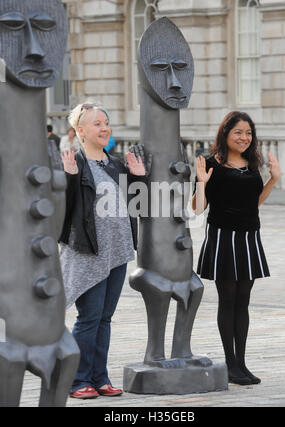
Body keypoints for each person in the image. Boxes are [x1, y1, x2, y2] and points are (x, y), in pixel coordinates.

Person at [59, 102, 147, 399]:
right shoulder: (75, 163)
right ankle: (76, 380)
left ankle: (100, 377)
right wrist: (68, 179)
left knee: (105, 318)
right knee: (89, 317)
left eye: (106, 122)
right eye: (97, 123)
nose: (104, 127)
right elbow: (64, 212)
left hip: (117, 252)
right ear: (80, 130)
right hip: (88, 253)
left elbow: (140, 206)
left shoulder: (116, 163)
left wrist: (139, 179)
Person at [192, 111, 281, 386]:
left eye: (248, 133)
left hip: (249, 238)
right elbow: (197, 209)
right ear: (226, 134)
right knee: (228, 301)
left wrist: (273, 180)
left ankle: (241, 364)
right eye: (238, 133)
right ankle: (231, 365)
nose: (244, 138)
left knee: (244, 302)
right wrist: (201, 184)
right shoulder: (211, 164)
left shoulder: (251, 164)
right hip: (222, 238)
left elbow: (253, 203)